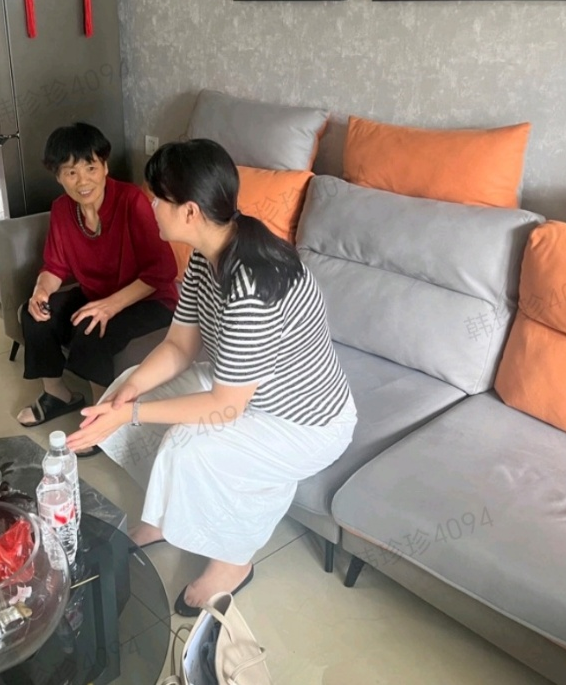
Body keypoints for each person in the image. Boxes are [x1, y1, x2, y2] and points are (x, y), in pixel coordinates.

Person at [67, 139, 357, 614]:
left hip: (302, 422)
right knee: (126, 388)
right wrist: (131, 395)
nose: (151, 207)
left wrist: (132, 415)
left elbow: (226, 406)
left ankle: (233, 561)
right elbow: (180, 345)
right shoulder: (208, 253)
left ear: (190, 211)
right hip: (243, 389)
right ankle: (164, 517)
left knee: (188, 445)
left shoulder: (252, 285)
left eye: (158, 199)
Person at [16, 123, 179, 456]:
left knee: (92, 327)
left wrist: (111, 305)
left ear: (105, 166)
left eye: (90, 168)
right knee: (35, 314)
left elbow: (163, 271)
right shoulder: (62, 209)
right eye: (71, 172)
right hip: (98, 293)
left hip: (150, 297)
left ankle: (100, 419)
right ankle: (57, 395)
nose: (83, 180)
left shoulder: (131, 201)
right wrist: (41, 292)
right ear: (58, 177)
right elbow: (54, 267)